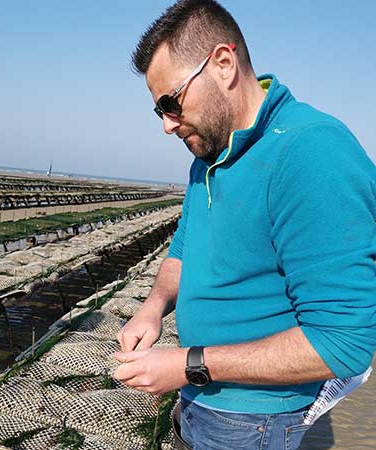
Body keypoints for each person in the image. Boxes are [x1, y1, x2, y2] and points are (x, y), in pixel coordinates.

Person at [113, 1, 376, 449]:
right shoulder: (208, 155)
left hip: (254, 420)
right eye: (157, 110)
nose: (166, 125)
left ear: (222, 63)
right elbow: (184, 247)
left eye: (170, 103)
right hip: (197, 398)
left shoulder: (312, 153)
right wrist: (153, 307)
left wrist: (189, 363)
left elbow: (344, 340)